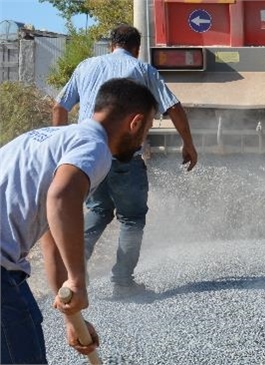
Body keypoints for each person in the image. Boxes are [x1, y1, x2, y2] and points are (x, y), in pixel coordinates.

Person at [1, 78, 158, 364]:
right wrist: (78, 280)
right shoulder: (95, 147)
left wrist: (73, 317)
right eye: (146, 130)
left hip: (7, 268)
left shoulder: (51, 138)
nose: (142, 141)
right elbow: (62, 198)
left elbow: (51, 238)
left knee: (27, 329)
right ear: (135, 123)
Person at [52, 24, 198, 298]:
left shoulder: (86, 66)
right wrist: (188, 144)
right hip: (123, 156)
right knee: (131, 218)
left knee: (97, 212)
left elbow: (59, 106)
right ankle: (122, 283)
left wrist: (63, 146)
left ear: (111, 45)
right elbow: (173, 107)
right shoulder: (143, 70)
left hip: (87, 156)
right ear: (137, 48)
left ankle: (70, 279)